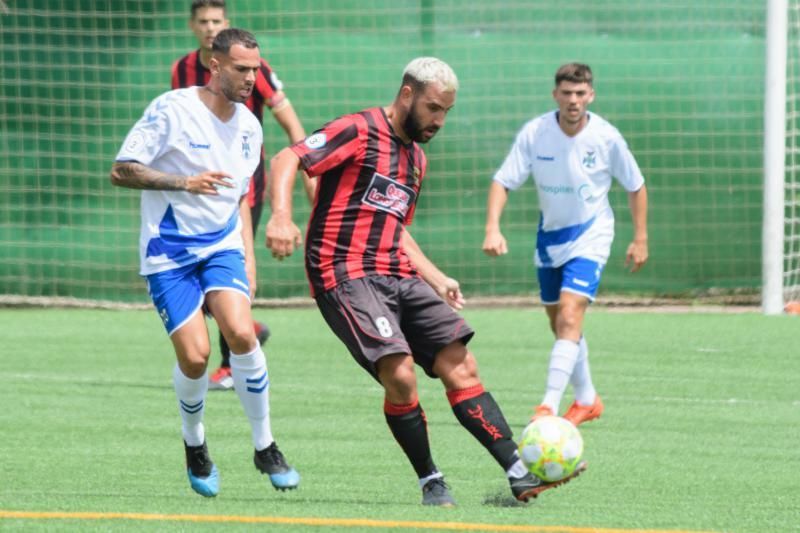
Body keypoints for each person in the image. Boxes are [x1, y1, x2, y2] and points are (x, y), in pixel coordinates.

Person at [265, 57, 586, 506]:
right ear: (407, 94)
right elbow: (287, 158)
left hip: (397, 273)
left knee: (461, 365)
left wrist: (434, 277)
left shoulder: (416, 159)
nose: (439, 120)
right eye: (434, 108)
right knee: (399, 374)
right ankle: (430, 479)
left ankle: (518, 470)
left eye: (446, 112)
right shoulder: (358, 129)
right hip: (344, 272)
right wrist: (281, 216)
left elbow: (395, 227)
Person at [110, 28, 300, 497]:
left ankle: (266, 445)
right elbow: (122, 170)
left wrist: (248, 257)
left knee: (242, 332)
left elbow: (239, 199)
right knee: (195, 358)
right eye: (241, 69)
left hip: (222, 247)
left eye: (255, 69)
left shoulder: (251, 128)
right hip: (168, 254)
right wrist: (183, 182)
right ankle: (195, 444)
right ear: (215, 66)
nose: (251, 78)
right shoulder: (173, 108)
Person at [482, 63, 649, 426]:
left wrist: (640, 238)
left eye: (580, 93)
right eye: (567, 93)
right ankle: (587, 399)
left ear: (591, 95)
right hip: (550, 237)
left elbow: (635, 185)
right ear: (555, 94)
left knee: (571, 314)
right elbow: (502, 181)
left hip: (592, 233)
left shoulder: (607, 137)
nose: (573, 100)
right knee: (560, 322)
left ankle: (547, 407)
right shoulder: (536, 132)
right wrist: (492, 228)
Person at [172, 0, 315, 390]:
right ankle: (246, 330)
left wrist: (308, 169)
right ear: (192, 25)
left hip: (242, 186)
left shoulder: (253, 68)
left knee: (228, 268)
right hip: (197, 188)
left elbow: (289, 121)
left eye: (216, 20)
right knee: (195, 274)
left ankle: (231, 363)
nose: (209, 27)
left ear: (226, 22)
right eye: (203, 21)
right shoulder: (182, 71)